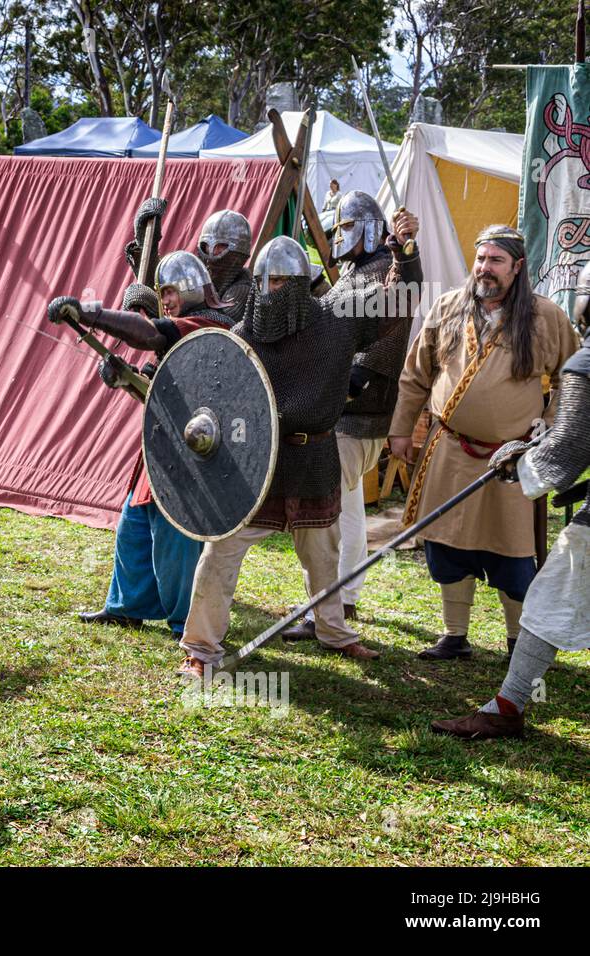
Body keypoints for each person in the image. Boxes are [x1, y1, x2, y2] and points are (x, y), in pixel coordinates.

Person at [177, 229, 420, 678]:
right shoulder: (243, 334)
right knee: (222, 552)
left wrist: (405, 257)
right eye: (266, 282)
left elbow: (395, 305)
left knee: (324, 556)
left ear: (301, 285)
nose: (271, 292)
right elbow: (216, 392)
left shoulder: (335, 321)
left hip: (315, 458)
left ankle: (334, 632)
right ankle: (201, 646)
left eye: (282, 283)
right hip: (261, 462)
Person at [388, 225, 580, 661]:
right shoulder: (448, 306)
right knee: (445, 548)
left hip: (509, 462)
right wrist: (401, 429)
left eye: (496, 260)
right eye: (480, 259)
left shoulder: (545, 316)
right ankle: (455, 636)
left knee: (512, 557)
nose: (485, 269)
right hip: (449, 450)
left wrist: (548, 427)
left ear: (517, 267)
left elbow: (574, 377)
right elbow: (415, 374)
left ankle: (518, 643)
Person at [431, 263, 590, 739]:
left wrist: (518, 467)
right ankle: (507, 705)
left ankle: (507, 707)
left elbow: (567, 452)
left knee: (547, 600)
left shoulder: (586, 363)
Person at [69, 198, 233, 640]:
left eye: (171, 293)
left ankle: (187, 622)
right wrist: (124, 377)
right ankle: (126, 605)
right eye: (162, 296)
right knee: (134, 526)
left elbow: (149, 333)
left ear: (194, 291)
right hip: (161, 445)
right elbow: (154, 387)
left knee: (176, 542)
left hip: (195, 453)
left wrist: (91, 314)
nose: (166, 302)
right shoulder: (175, 330)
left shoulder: (205, 327)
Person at [282, 193, 422, 639]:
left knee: (327, 514)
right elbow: (334, 317)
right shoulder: (355, 273)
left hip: (355, 412)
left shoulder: (385, 270)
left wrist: (405, 249)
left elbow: (399, 307)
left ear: (368, 227)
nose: (341, 236)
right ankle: (344, 597)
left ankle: (324, 609)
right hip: (346, 415)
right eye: (337, 229)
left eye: (347, 228)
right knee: (349, 511)